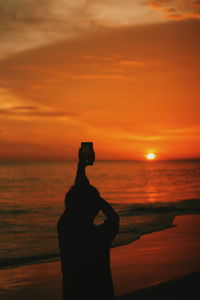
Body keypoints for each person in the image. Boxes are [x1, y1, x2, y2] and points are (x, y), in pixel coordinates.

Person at [57, 146, 120, 300]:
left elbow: (76, 201)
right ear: (96, 209)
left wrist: (81, 168)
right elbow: (113, 217)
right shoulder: (100, 237)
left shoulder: (65, 229)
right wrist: (96, 199)